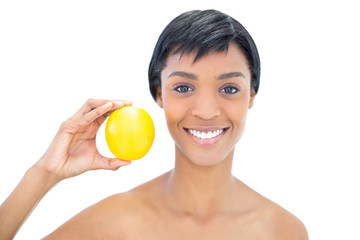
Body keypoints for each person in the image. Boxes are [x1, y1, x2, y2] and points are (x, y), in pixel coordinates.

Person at [0, 9, 308, 239]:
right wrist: (44, 174)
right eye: (183, 87)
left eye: (229, 88)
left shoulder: (283, 230)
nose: (205, 111)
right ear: (159, 94)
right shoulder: (115, 224)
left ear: (251, 95)